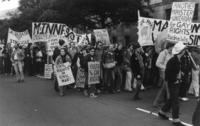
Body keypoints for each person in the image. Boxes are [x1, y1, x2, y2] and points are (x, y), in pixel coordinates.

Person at [158, 42, 186, 126]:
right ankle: (175, 119)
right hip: (173, 83)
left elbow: (174, 71)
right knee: (175, 101)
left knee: (172, 99)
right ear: (181, 51)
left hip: (175, 82)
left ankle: (162, 112)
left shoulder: (177, 59)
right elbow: (167, 73)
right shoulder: (173, 60)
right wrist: (175, 79)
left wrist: (180, 73)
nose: (185, 51)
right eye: (184, 50)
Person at [153, 42, 174, 108]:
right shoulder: (163, 53)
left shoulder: (172, 54)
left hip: (169, 73)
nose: (174, 48)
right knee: (168, 88)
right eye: (173, 47)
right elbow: (157, 63)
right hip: (164, 72)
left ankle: (156, 103)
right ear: (169, 46)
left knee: (164, 88)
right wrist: (166, 68)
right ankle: (168, 105)